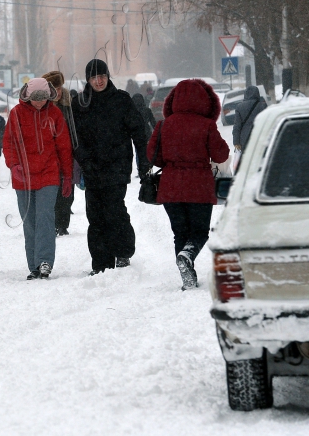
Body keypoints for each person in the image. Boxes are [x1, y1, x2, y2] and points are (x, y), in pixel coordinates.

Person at [148, 79, 230, 290]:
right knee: (199, 232)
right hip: (199, 187)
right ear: (205, 101)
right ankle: (188, 255)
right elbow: (221, 155)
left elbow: (153, 157)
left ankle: (187, 274)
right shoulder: (206, 125)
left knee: (180, 233)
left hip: (171, 187)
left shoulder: (164, 125)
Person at [72, 59, 149, 275]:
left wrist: (143, 163)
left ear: (108, 77)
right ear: (88, 79)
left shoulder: (121, 99)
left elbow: (138, 132)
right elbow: (74, 138)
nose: (99, 81)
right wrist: (86, 161)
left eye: (102, 76)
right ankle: (101, 264)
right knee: (95, 217)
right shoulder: (80, 104)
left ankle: (123, 251)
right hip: (92, 168)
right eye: (94, 77)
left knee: (114, 210)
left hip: (117, 166)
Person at [3, 78, 73, 279]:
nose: (39, 103)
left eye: (43, 98)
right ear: (28, 96)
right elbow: (9, 143)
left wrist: (67, 176)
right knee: (30, 221)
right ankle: (33, 265)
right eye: (36, 99)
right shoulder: (16, 114)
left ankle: (44, 262)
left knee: (45, 217)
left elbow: (64, 146)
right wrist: (14, 164)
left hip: (49, 174)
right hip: (23, 175)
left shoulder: (55, 114)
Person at [43, 71, 78, 237]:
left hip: (67, 154)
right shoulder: (42, 107)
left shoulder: (69, 105)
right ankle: (54, 223)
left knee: (67, 192)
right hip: (48, 157)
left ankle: (63, 224)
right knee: (52, 192)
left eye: (59, 88)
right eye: (53, 88)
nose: (57, 92)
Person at [233, 85, 267, 154]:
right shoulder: (262, 105)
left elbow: (237, 126)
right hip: (259, 138)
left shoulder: (239, 107)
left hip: (245, 140)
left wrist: (236, 142)